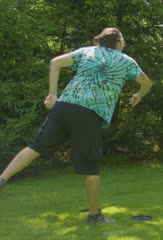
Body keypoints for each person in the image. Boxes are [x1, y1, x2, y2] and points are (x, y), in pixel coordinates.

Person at [0, 27, 152, 226]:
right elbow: (147, 83)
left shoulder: (87, 51)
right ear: (118, 43)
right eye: (123, 41)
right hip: (88, 112)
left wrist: (53, 94)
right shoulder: (126, 61)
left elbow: (55, 62)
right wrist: (138, 95)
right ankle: (95, 216)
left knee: (36, 146)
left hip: (64, 106)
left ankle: (2, 178)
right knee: (91, 166)